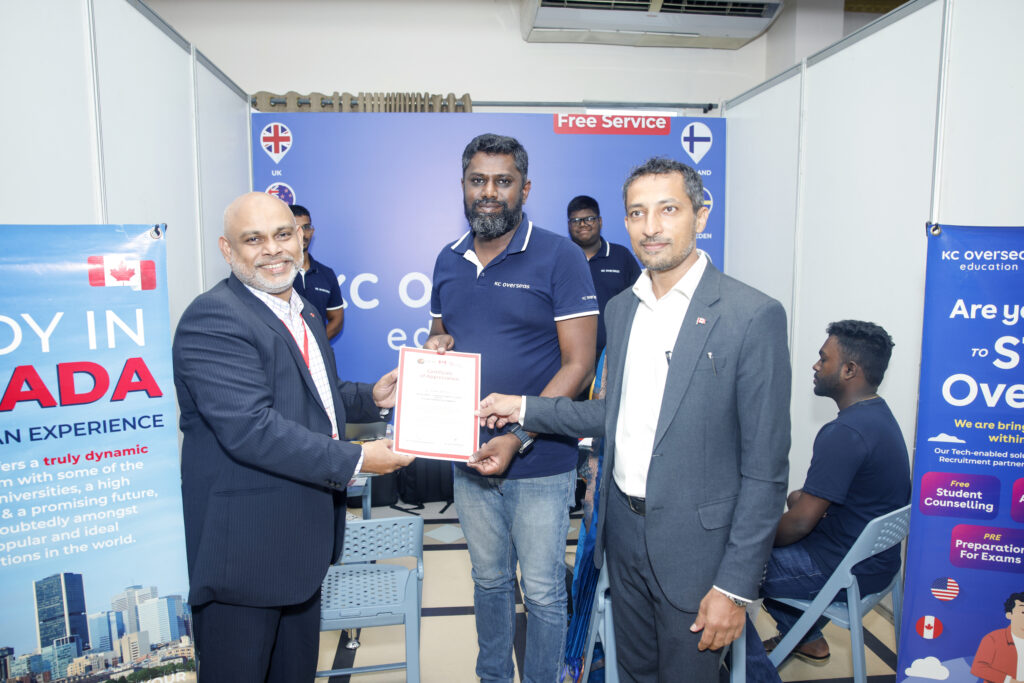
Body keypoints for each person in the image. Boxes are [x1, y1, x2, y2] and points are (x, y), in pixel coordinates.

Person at [477, 156, 792, 681]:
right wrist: (524, 407)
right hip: (622, 538)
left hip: (698, 554)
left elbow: (766, 469)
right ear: (625, 221)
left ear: (701, 215)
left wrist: (735, 587)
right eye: (638, 213)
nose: (651, 227)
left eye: (668, 210)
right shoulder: (622, 309)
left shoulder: (751, 315)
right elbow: (613, 414)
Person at [172, 191, 414, 682]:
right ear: (227, 249)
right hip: (247, 557)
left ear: (301, 238)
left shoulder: (301, 308)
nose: (272, 249)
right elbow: (252, 428)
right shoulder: (214, 317)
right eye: (253, 239)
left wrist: (372, 397)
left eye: (283, 234)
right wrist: (357, 459)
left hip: (302, 549)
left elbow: (314, 394)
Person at [426, 133, 598, 682]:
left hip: (540, 459)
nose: (489, 192)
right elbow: (439, 334)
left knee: (543, 591)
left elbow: (579, 365)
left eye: (503, 181)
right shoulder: (447, 259)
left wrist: (519, 435)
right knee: (489, 581)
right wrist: (435, 347)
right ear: (463, 186)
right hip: (469, 458)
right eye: (478, 180)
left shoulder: (560, 256)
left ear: (525, 189)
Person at [748, 320, 910, 676]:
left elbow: (799, 524)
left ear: (849, 370)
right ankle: (806, 638)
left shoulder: (844, 433)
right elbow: (814, 503)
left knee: (723, 571)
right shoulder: (879, 416)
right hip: (877, 563)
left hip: (841, 569)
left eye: (824, 359)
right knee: (794, 501)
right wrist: (800, 505)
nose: (816, 365)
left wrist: (747, 544)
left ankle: (753, 673)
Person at [566, 194, 641, 357]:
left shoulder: (621, 256)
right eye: (576, 220)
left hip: (614, 352)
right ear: (569, 225)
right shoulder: (560, 258)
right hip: (567, 354)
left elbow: (640, 301)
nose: (583, 224)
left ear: (600, 221)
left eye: (589, 219)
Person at [290, 203, 345, 339]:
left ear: (312, 231)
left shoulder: (326, 274)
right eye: (295, 228)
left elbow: (337, 319)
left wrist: (316, 344)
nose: (302, 234)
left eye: (306, 227)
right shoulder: (274, 272)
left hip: (317, 351)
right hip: (282, 351)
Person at [972, 592, 1024, 683]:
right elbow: (978, 667)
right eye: (1023, 612)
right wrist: (1009, 681)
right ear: (1009, 615)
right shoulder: (993, 638)